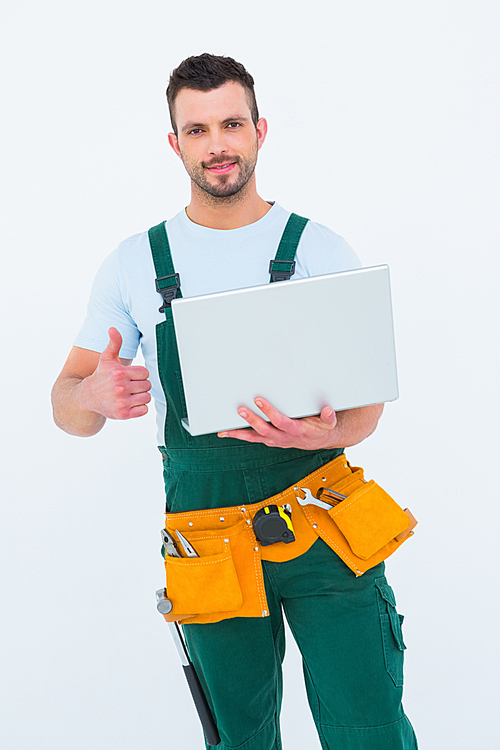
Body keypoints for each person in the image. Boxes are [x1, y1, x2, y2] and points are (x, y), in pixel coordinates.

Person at [51, 54, 417, 750]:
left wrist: (318, 436)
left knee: (369, 728)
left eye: (231, 123)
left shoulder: (317, 249)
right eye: (197, 129)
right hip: (208, 540)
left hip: (323, 522)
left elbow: (368, 412)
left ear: (258, 131)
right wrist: (92, 393)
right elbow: (65, 404)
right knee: (239, 740)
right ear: (175, 143)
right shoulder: (135, 262)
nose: (216, 143)